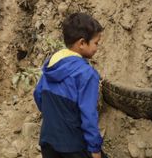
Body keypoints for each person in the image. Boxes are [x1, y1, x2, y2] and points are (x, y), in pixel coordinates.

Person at [33, 13, 105, 158]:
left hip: (48, 142)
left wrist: (54, 117)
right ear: (82, 43)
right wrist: (95, 148)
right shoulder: (86, 74)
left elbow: (38, 94)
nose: (97, 48)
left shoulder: (51, 64)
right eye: (96, 43)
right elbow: (89, 114)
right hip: (73, 146)